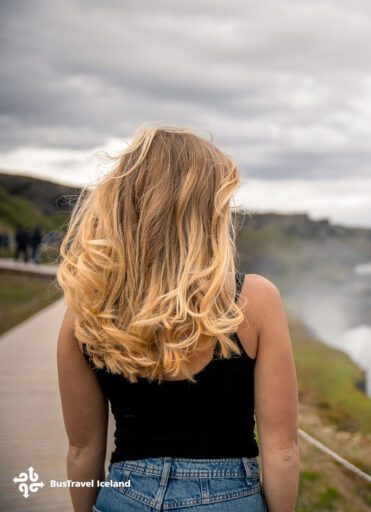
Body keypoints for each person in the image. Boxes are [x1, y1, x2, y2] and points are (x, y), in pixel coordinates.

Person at [56, 125, 300, 512]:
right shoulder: (254, 299)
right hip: (228, 498)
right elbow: (283, 451)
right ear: (205, 211)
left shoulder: (87, 308)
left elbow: (82, 449)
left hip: (124, 495)